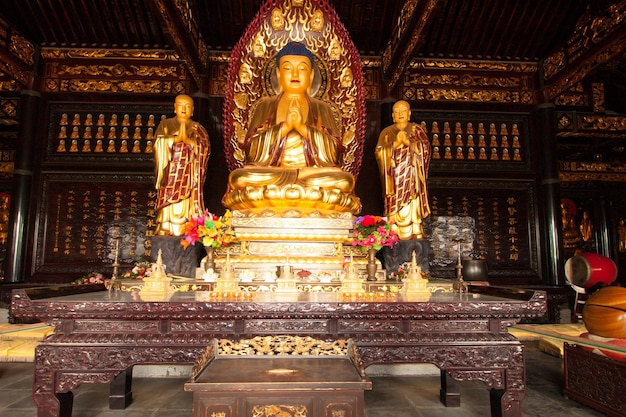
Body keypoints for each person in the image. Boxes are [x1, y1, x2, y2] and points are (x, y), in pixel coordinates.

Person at [226, 42, 355, 203]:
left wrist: (302, 128)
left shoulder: (322, 108)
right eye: (288, 68)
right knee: (239, 178)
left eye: (302, 69)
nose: (295, 73)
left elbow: (334, 153)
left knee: (344, 181)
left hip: (311, 174)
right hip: (274, 174)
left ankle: (292, 185)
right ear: (279, 75)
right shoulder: (264, 106)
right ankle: (298, 188)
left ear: (311, 75)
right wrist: (285, 128)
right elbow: (252, 152)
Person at [154, 94, 210, 236]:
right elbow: (157, 145)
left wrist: (189, 142)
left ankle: (186, 226)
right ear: (174, 108)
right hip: (170, 172)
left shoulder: (198, 128)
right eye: (180, 105)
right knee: (168, 203)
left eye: (187, 106)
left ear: (192, 110)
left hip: (189, 173)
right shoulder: (165, 125)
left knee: (186, 201)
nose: (184, 109)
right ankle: (166, 225)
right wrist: (174, 140)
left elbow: (205, 149)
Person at [375, 100, 431, 240]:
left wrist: (409, 144)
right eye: (397, 111)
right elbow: (379, 152)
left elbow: (426, 149)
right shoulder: (386, 132)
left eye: (403, 111)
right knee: (393, 199)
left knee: (413, 200)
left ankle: (415, 227)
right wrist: (394, 145)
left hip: (412, 176)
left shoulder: (416, 130)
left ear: (409, 113)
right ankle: (393, 229)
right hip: (394, 178)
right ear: (393, 115)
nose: (400, 114)